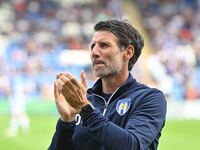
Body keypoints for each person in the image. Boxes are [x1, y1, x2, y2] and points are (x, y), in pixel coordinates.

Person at [48, 19, 167, 150]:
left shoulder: (149, 98)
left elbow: (132, 145)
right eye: (92, 46)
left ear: (128, 52)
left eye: (104, 45)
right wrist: (66, 122)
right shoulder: (83, 99)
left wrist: (86, 110)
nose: (94, 52)